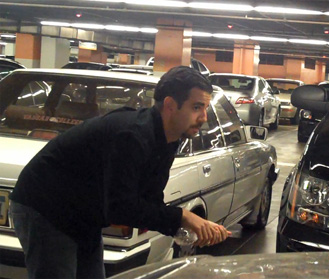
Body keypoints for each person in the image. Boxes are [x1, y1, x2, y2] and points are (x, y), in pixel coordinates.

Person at [9, 66, 231, 278]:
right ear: (170, 105)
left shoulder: (167, 139)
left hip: (83, 214)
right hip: (44, 207)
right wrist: (183, 217)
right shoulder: (132, 136)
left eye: (205, 108)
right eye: (196, 107)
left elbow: (148, 200)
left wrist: (184, 229)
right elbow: (120, 208)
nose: (203, 117)